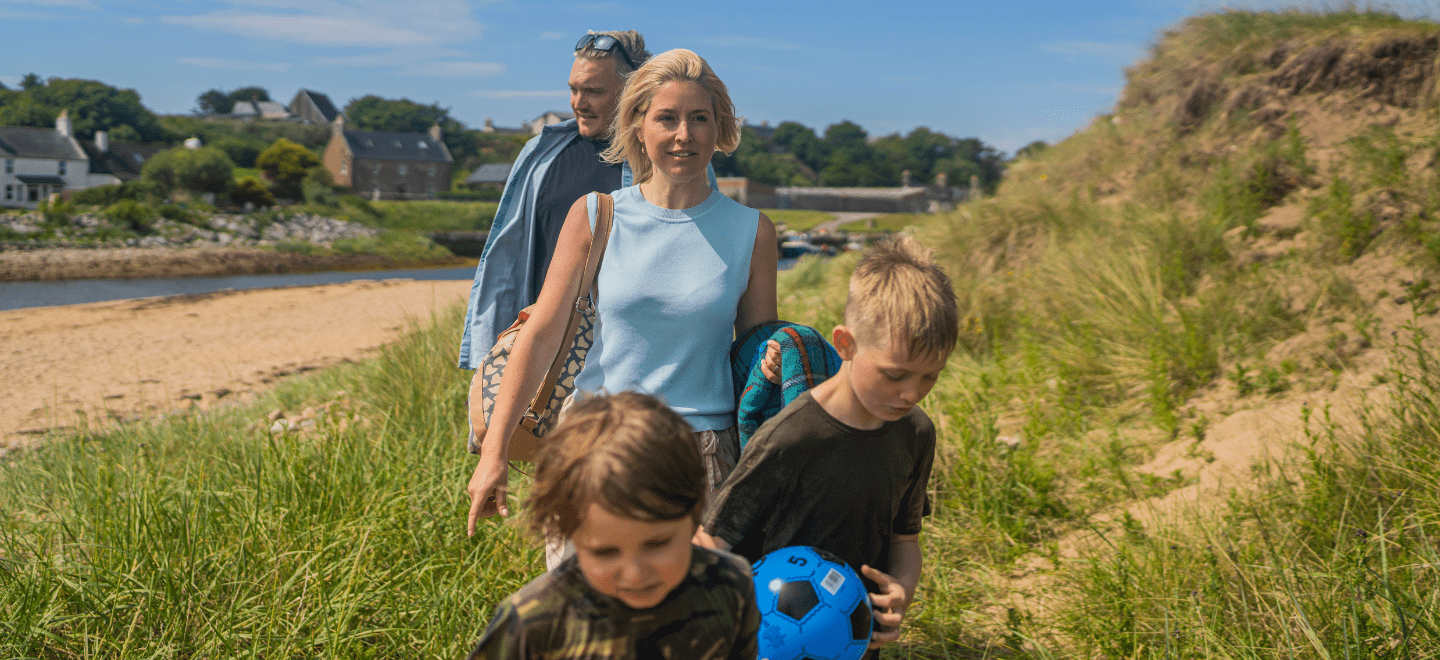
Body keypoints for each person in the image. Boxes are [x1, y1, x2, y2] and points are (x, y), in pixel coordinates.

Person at [466, 48, 778, 537]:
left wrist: (779, 356)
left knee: (691, 612)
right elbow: (542, 336)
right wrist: (494, 453)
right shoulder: (596, 215)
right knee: (588, 611)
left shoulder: (752, 231)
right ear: (636, 125)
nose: (683, 135)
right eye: (667, 118)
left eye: (700, 118)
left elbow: (755, 357)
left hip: (701, 458)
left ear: (719, 128)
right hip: (597, 448)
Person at [694, 235, 959, 657]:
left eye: (930, 376)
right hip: (771, 637)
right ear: (845, 345)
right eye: (895, 375)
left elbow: (905, 538)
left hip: (855, 636)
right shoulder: (790, 437)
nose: (912, 393)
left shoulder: (916, 434)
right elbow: (712, 541)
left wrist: (902, 590)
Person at [457, 30, 718, 367]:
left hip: (628, 362)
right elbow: (506, 257)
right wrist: (489, 355)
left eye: (594, 91)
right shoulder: (541, 152)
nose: (578, 103)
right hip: (541, 355)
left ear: (633, 92)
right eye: (574, 89)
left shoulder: (674, 158)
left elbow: (702, 265)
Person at [466, 392, 759, 660]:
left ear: (696, 513)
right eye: (605, 552)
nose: (634, 574)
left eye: (656, 544)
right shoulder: (534, 622)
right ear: (567, 534)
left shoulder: (729, 586)